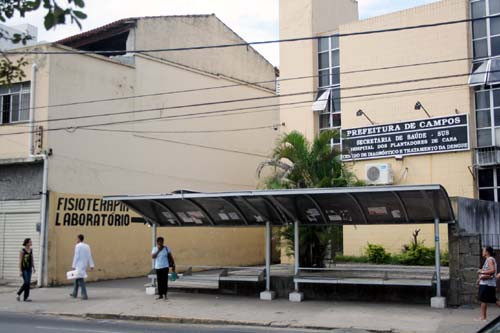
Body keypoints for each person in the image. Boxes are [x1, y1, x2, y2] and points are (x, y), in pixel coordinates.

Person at [476, 246, 500, 321]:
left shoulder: (490, 259)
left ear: (487, 252)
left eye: (483, 250)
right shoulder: (488, 259)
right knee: (490, 300)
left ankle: (483, 317)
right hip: (486, 283)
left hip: (487, 284)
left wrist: (481, 272)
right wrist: (479, 278)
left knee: (485, 300)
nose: (482, 252)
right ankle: (483, 317)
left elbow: (492, 270)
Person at [70, 234, 94, 300]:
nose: (76, 240)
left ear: (79, 239)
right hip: (84, 265)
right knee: (77, 278)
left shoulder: (77, 246)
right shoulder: (87, 246)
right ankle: (74, 293)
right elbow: (89, 256)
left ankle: (84, 295)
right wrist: (91, 265)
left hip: (78, 265)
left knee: (80, 279)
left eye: (77, 239)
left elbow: (76, 256)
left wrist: (73, 265)